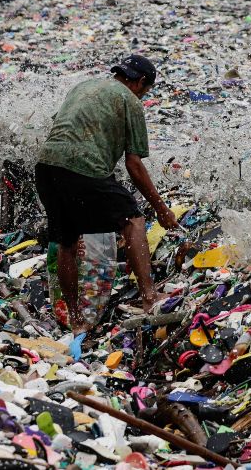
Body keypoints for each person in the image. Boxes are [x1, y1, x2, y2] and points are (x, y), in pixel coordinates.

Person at [35, 54, 180, 345]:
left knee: (66, 239)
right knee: (134, 221)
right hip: (83, 167)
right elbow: (134, 165)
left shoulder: (84, 87)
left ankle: (76, 320)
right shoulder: (131, 101)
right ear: (140, 83)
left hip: (46, 166)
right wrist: (162, 210)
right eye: (146, 89)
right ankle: (149, 297)